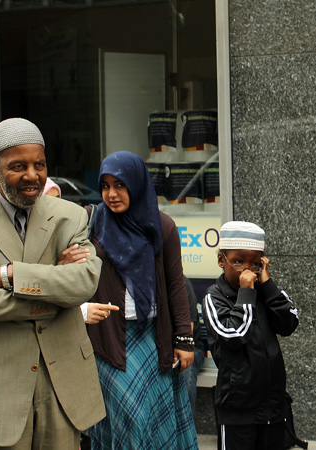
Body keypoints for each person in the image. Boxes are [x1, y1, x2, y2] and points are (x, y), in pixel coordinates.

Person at [0, 118, 105, 449]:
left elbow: (84, 282)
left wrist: (9, 274)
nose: (32, 176)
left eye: (39, 165)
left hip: (63, 389)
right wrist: (52, 292)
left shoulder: (70, 216)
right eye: (18, 166)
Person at [83, 151, 198, 450]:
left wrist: (184, 339)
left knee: (152, 420)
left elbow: (175, 284)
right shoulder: (92, 224)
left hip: (152, 337)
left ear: (136, 183)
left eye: (120, 185)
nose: (111, 194)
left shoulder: (163, 226)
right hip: (107, 338)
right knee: (128, 417)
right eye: (105, 186)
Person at [203, 220, 299, 450]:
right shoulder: (214, 297)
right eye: (238, 261)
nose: (247, 271)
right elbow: (233, 335)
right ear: (221, 260)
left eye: (255, 264)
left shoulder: (264, 291)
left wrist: (268, 286)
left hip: (272, 407)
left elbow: (289, 323)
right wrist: (246, 293)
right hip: (237, 410)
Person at [183, 275, 206, 422]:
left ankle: (186, 427)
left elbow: (187, 331)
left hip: (191, 347)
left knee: (184, 369)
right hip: (162, 348)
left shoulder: (182, 284)